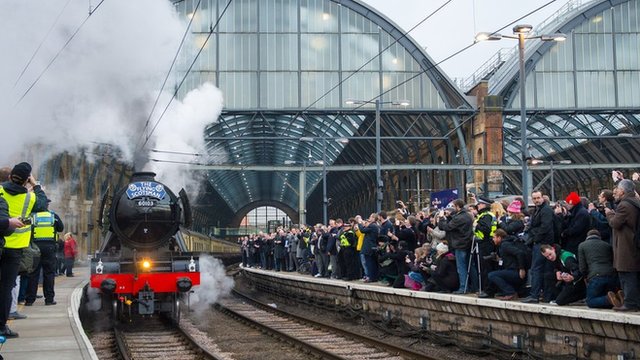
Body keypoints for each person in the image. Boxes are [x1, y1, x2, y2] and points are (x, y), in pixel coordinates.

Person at [0, 162, 48, 338]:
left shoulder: (0, 191)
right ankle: (2, 326)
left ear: (11, 175)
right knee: (6, 289)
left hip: (0, 241)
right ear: (27, 179)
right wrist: (35, 185)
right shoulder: (31, 198)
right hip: (15, 249)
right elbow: (43, 203)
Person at [605, 179, 640, 311]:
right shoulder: (636, 201)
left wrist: (609, 214)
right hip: (634, 243)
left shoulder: (624, 205)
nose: (616, 192)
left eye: (618, 189)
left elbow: (615, 223)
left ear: (623, 191)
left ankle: (630, 303)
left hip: (626, 246)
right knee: (634, 274)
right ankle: (634, 302)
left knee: (627, 274)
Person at [521, 190, 556, 304]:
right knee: (544, 270)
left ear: (542, 198)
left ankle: (534, 295)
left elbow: (545, 226)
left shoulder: (545, 210)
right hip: (542, 242)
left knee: (536, 269)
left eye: (538, 198)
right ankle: (545, 295)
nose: (536, 200)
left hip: (542, 243)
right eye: (534, 198)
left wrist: (535, 238)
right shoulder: (538, 210)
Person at [25, 205, 64, 306]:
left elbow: (27, 229)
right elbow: (61, 228)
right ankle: (49, 299)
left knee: (33, 273)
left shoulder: (32, 216)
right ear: (47, 206)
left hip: (35, 247)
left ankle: (30, 300)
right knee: (49, 273)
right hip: (50, 247)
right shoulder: (53, 215)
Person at [437, 199, 474, 294]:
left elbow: (445, 227)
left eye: (453, 206)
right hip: (466, 243)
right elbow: (454, 223)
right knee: (469, 266)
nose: (452, 209)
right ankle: (472, 286)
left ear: (458, 206)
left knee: (461, 267)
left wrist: (441, 218)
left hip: (460, 244)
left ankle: (463, 287)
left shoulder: (460, 218)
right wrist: (449, 217)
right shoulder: (467, 215)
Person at [483, 229, 530, 300]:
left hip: (516, 272)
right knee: (498, 272)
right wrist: (499, 259)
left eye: (494, 237)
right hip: (513, 270)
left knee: (492, 275)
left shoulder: (505, 245)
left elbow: (520, 253)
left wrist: (521, 268)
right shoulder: (506, 244)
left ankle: (510, 292)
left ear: (499, 237)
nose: (493, 239)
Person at [577, 230, 619, 308]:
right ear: (600, 237)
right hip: (611, 275)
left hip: (596, 276)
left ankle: (607, 299)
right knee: (606, 304)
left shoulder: (582, 245)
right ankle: (617, 297)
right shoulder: (607, 245)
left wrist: (585, 277)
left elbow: (582, 267)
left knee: (590, 301)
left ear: (587, 237)